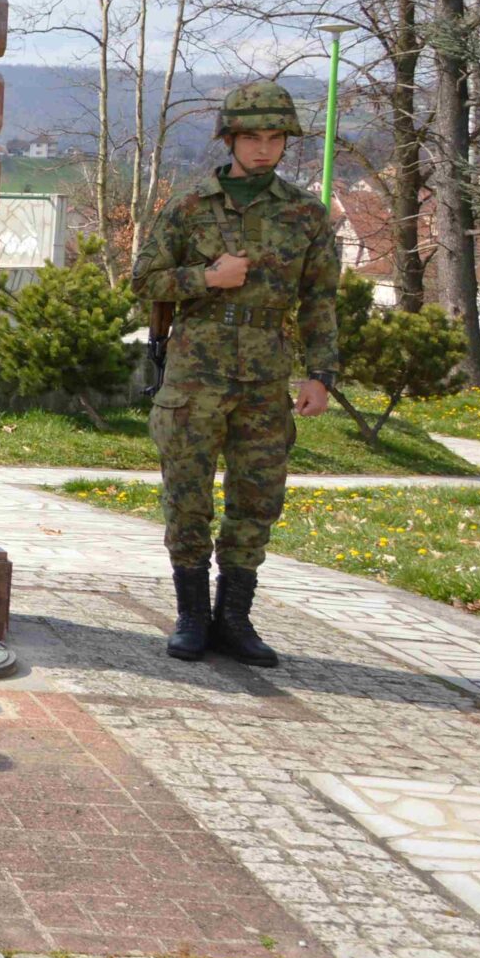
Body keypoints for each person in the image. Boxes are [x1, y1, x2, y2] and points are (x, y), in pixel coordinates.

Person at [130, 79, 339, 668]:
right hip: (195, 374)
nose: (263, 149)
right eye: (252, 138)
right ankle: (193, 616)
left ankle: (235, 619)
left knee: (257, 498)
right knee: (187, 495)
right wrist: (207, 278)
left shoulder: (306, 214)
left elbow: (321, 300)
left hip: (266, 378)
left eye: (274, 138)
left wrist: (320, 374)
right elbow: (143, 280)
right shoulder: (189, 206)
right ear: (230, 139)